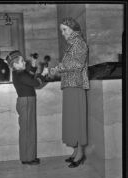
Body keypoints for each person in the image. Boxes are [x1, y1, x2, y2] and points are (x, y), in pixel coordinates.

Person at [49, 17, 90, 168]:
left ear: (73, 29)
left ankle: (80, 154)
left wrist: (58, 68)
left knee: (77, 120)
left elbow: (77, 64)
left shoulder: (79, 42)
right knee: (72, 120)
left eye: (64, 30)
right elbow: (69, 65)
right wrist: (57, 69)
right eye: (61, 30)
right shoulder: (72, 44)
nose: (62, 33)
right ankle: (75, 151)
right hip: (69, 85)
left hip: (76, 86)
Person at [6, 50, 44, 165]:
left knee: (30, 130)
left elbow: (30, 75)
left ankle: (30, 156)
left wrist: (33, 65)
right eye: (22, 61)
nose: (24, 63)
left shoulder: (20, 73)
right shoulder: (20, 74)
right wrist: (43, 74)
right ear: (15, 64)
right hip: (26, 102)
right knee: (27, 131)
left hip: (28, 101)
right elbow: (36, 83)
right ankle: (26, 159)